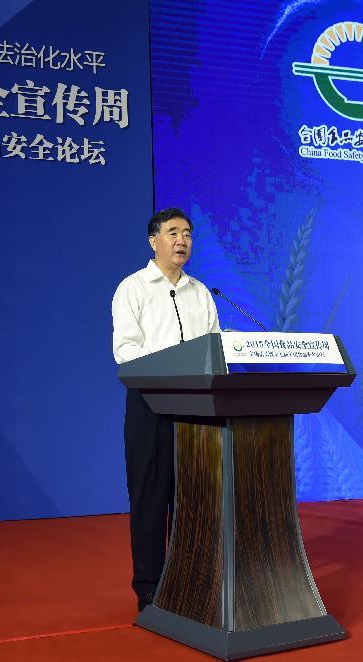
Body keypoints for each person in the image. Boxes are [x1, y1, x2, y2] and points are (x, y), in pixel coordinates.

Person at [111, 207, 220, 612]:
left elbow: (215, 347)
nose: (182, 240)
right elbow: (126, 350)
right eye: (173, 232)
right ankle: (151, 590)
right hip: (150, 405)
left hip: (197, 409)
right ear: (153, 240)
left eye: (188, 234)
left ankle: (192, 582)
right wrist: (173, 363)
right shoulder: (133, 289)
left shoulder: (201, 293)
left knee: (194, 500)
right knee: (151, 499)